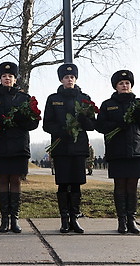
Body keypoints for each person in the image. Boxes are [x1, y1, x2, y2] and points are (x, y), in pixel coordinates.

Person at [0, 62, 40, 233]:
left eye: (10, 76)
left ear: (15, 79)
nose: (7, 78)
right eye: (4, 76)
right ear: (0, 78)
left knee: (15, 180)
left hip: (18, 145)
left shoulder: (24, 98)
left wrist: (21, 120)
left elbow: (34, 123)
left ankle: (14, 218)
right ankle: (4, 219)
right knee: (2, 180)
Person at [96, 70, 140, 234]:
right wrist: (117, 124)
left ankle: (132, 219)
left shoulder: (139, 104)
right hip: (117, 151)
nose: (124, 85)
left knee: (133, 187)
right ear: (115, 86)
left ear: (131, 85)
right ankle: (121, 220)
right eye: (121, 83)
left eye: (127, 83)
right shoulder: (108, 104)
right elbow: (99, 126)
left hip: (136, 151)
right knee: (120, 186)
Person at [43, 63, 95, 233]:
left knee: (77, 184)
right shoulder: (53, 99)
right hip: (61, 147)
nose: (69, 80)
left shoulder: (84, 98)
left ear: (76, 79)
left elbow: (92, 124)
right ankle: (64, 219)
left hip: (78, 147)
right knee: (63, 184)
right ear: (61, 79)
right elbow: (46, 124)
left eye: (72, 77)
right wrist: (61, 131)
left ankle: (75, 218)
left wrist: (83, 119)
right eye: (66, 77)